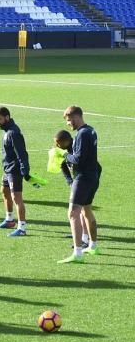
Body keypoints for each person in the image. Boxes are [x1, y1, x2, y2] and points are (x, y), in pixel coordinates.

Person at [58, 106, 101, 263]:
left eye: (69, 120)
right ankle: (93, 246)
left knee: (73, 213)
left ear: (76, 117)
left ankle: (77, 253)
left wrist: (64, 154)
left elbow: (79, 159)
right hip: (92, 177)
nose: (69, 124)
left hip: (82, 178)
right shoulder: (91, 130)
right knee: (86, 210)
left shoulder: (82, 134)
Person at [0, 107, 30, 237]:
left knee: (17, 198)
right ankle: (9, 220)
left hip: (14, 170)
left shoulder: (13, 133)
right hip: (7, 169)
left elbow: (22, 152)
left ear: (7, 117)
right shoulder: (7, 131)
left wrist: (24, 169)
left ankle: (22, 228)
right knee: (4, 191)